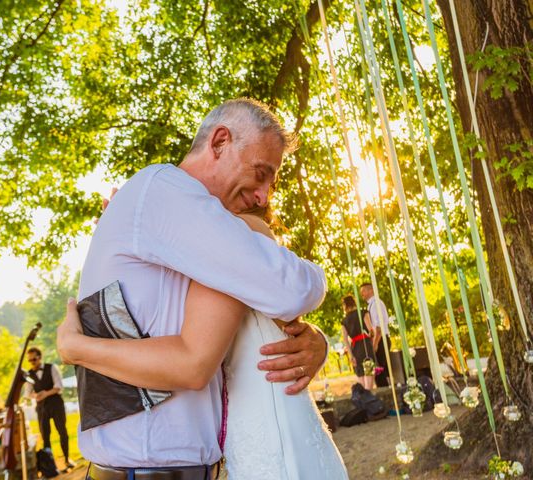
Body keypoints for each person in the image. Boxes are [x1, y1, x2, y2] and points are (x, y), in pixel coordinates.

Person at [57, 98, 343, 478]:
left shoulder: (200, 230)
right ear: (220, 141)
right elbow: (287, 289)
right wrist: (319, 278)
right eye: (260, 173)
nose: (264, 196)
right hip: (139, 471)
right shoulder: (161, 189)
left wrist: (315, 340)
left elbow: (256, 312)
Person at [24, 347, 75, 470]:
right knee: (45, 435)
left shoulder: (51, 367)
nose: (32, 362)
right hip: (41, 408)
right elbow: (27, 393)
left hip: (56, 404)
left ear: (40, 357)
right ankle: (51, 466)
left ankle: (67, 460)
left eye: (34, 359)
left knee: (62, 432)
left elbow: (59, 386)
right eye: (30, 360)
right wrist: (36, 395)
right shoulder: (28, 375)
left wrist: (45, 393)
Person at [341, 295, 375, 390]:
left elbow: (345, 340)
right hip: (365, 345)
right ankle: (369, 394)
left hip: (355, 348)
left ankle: (364, 397)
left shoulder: (344, 321)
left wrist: (351, 355)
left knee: (360, 374)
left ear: (345, 306)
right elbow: (371, 331)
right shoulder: (363, 313)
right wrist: (371, 338)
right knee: (369, 371)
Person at [359, 283, 391, 388]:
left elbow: (379, 326)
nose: (361, 294)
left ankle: (385, 392)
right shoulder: (370, 305)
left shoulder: (376, 304)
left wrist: (375, 343)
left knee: (379, 370)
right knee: (379, 371)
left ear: (371, 290)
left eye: (363, 291)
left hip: (381, 339)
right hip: (379, 339)